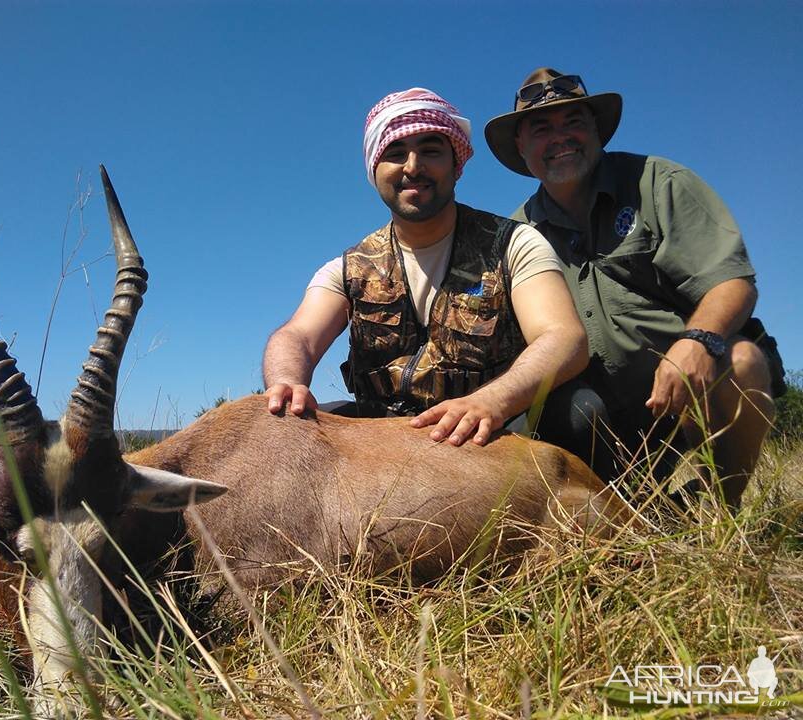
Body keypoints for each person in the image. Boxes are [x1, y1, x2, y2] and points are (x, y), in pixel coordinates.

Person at [484, 67, 782, 507]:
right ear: (521, 148)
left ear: (597, 131)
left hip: (679, 395)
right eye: (542, 129)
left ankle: (719, 510)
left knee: (741, 360)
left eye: (574, 123)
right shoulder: (515, 233)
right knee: (555, 413)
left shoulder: (659, 183)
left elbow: (732, 282)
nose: (560, 138)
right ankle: (612, 512)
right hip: (589, 417)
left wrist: (698, 340)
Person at [263, 87, 592, 450]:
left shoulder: (514, 243)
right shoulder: (346, 269)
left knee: (581, 412)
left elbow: (563, 338)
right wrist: (287, 381)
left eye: (431, 151)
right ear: (376, 168)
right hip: (383, 436)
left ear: (457, 165)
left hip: (490, 433)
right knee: (284, 428)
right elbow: (298, 337)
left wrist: (492, 401)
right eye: (395, 153)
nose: (413, 166)